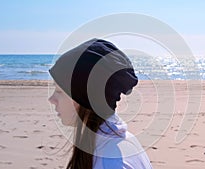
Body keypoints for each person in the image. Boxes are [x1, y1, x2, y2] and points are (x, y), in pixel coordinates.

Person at [48, 38, 153, 169]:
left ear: (83, 98)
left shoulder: (110, 162)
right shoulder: (119, 141)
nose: (51, 99)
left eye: (59, 91)